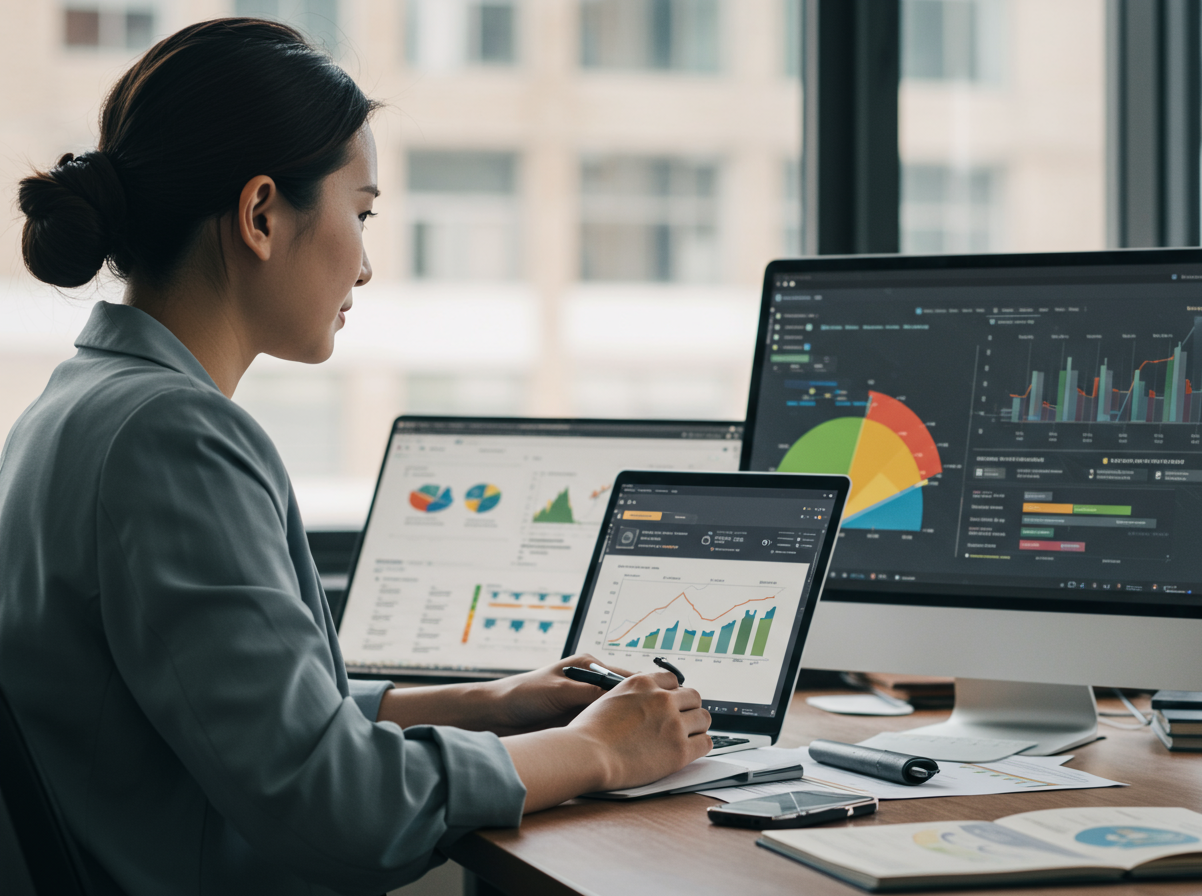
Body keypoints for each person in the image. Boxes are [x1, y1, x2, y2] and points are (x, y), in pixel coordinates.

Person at [0, 18, 711, 896]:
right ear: (262, 215)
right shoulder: (171, 440)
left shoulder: (77, 405)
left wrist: (493, 702)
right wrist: (598, 749)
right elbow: (338, 805)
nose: (367, 266)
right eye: (362, 214)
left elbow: (254, 720)